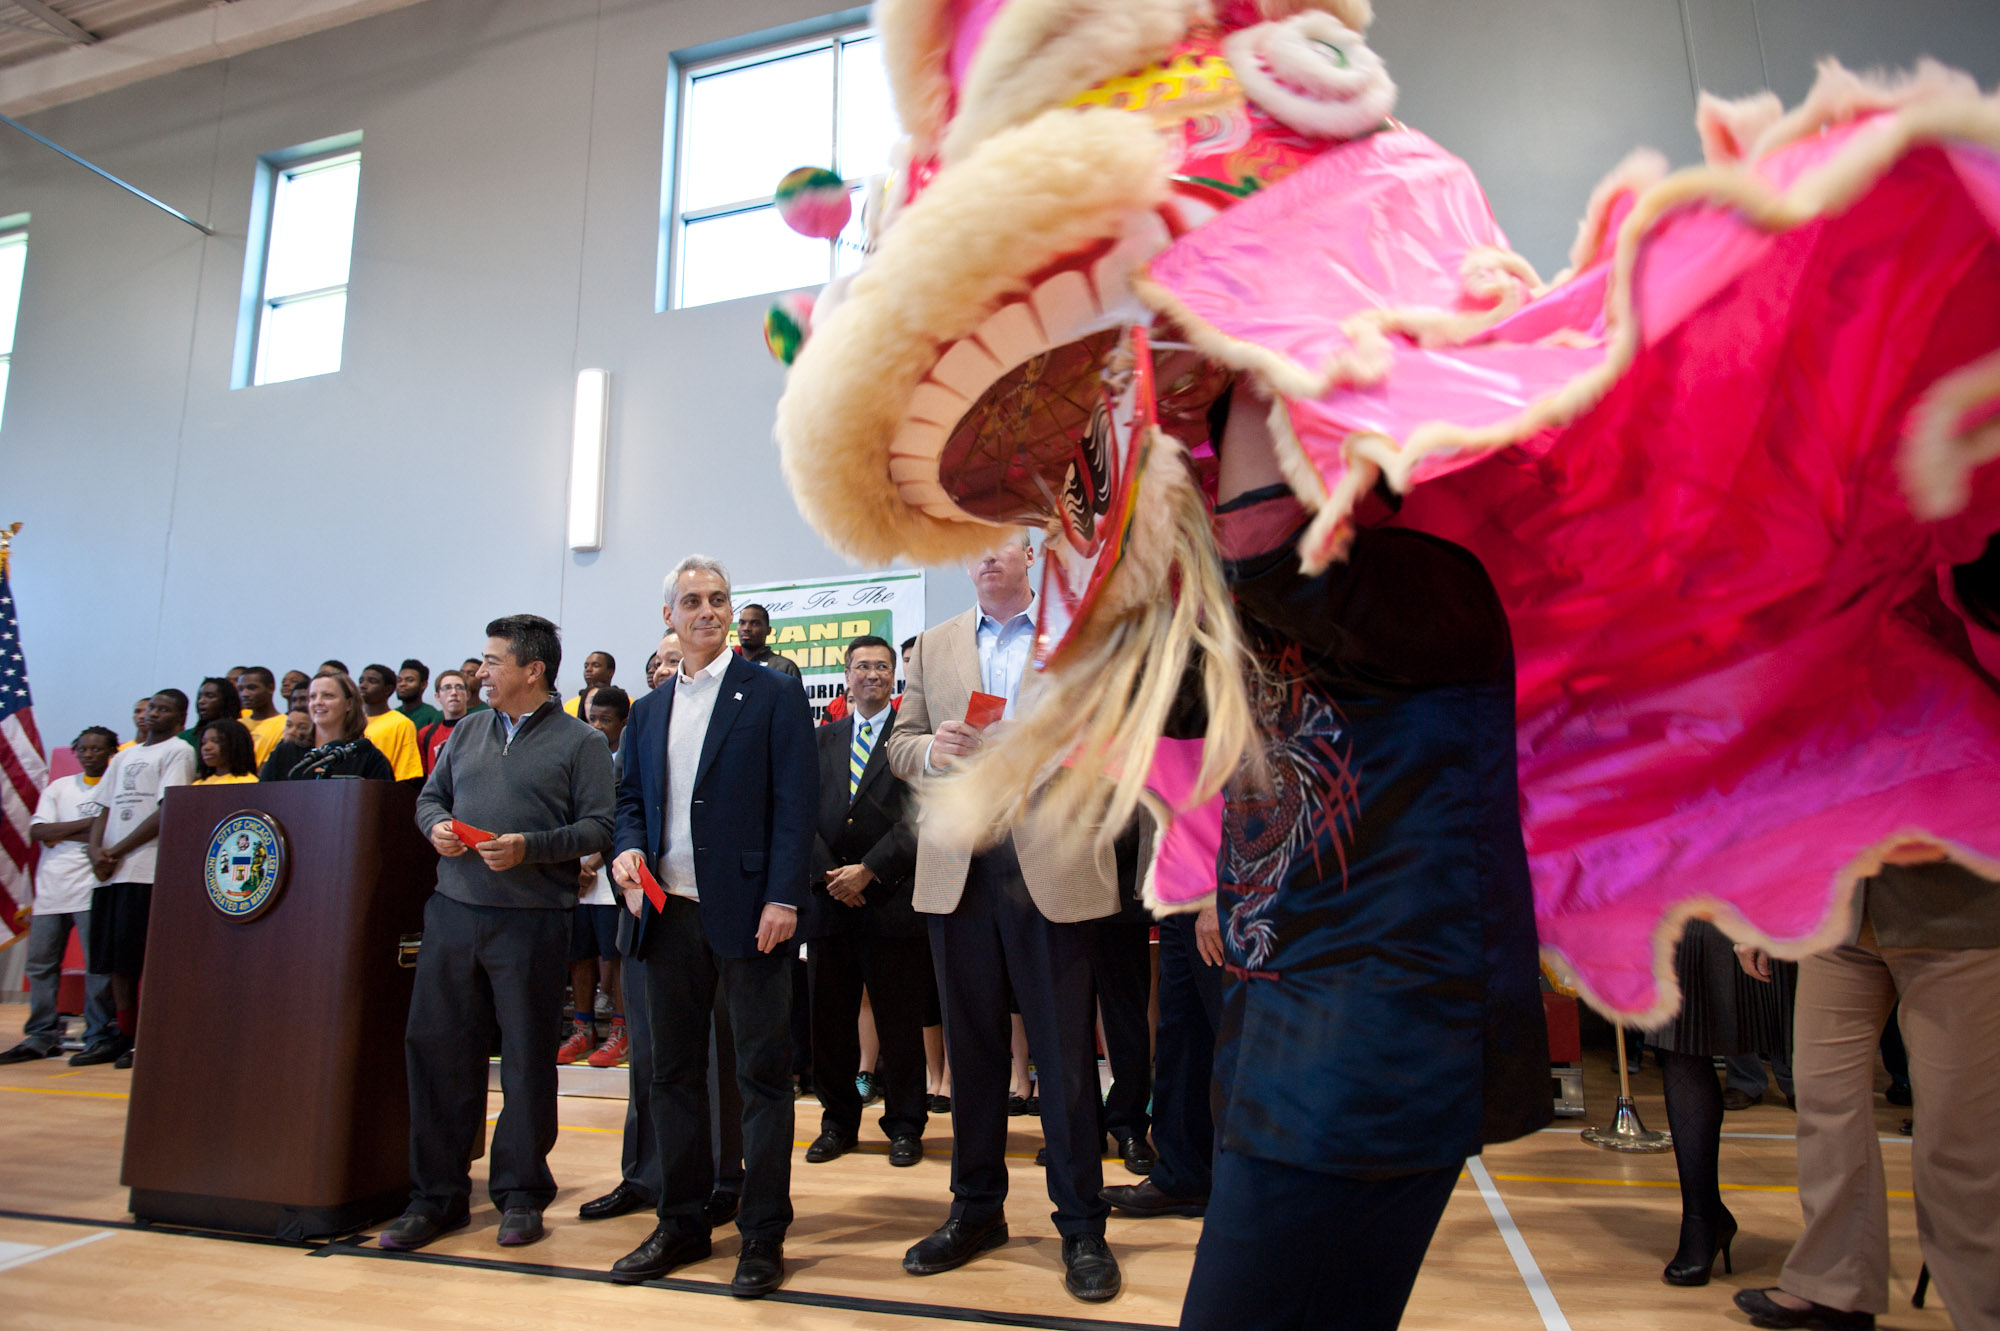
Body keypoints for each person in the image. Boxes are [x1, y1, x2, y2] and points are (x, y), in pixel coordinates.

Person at [1167, 389, 1551, 1331]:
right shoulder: (1268, 602)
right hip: (1284, 1035)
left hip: (1376, 1045)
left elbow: (1262, 544)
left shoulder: (1432, 582)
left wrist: (1241, 370)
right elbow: (1166, 697)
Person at [886, 533, 1126, 1303]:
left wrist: (1035, 746)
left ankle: (1083, 1224)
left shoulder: (1078, 634)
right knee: (973, 1055)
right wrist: (934, 750)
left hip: (1050, 861)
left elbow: (1114, 732)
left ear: (1031, 554)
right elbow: (899, 744)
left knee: (1061, 1059)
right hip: (961, 867)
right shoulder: (933, 646)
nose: (987, 557)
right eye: (974, 548)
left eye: (1001, 545)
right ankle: (976, 1210)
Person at [606, 555, 816, 1298]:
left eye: (718, 599)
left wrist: (785, 895)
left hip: (752, 915)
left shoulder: (773, 692)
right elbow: (631, 800)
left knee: (761, 1078)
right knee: (670, 1075)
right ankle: (682, 1220)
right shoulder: (647, 709)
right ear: (670, 615)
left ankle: (761, 1233)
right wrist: (628, 849)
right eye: (692, 600)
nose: (707, 610)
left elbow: (797, 803)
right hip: (666, 918)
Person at [380, 614, 615, 1253]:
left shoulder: (580, 743)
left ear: (532, 669)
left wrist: (530, 848)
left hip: (533, 924)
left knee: (527, 1063)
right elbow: (430, 799)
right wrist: (435, 827)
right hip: (453, 914)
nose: (479, 672)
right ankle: (436, 1198)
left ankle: (520, 1195)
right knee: (437, 1056)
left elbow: (599, 828)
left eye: (491, 661)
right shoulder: (466, 731)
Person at [1733, 859, 2000, 1331]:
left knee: (1957, 1142)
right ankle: (1834, 1287)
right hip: (1842, 915)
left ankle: (1982, 1312)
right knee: (1824, 1106)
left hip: (1961, 919)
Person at [801, 636, 928, 1168]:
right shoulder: (820, 740)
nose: (871, 674)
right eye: (861, 666)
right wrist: (833, 875)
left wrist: (869, 871)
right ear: (846, 675)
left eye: (881, 666)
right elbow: (798, 812)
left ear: (894, 677)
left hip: (891, 901)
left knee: (899, 1022)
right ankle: (838, 1121)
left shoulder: (910, 739)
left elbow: (922, 816)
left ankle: (904, 1124)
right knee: (828, 1023)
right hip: (830, 903)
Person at [1642, 918, 1795, 1287]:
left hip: (1780, 889)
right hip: (1687, 892)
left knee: (1815, 1050)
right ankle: (1701, 1218)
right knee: (1681, 1045)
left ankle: (1835, 1243)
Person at [83, 690, 197, 1068]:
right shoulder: (125, 756)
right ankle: (123, 1035)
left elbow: (168, 810)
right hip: (110, 873)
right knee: (116, 962)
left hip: (144, 870)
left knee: (140, 958)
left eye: (164, 710)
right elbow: (102, 808)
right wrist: (96, 851)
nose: (153, 714)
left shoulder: (178, 751)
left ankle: (145, 1038)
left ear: (180, 719)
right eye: (151, 708)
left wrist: (117, 852)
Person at [0, 727, 117, 1065]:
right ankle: (42, 1035)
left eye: (97, 749)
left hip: (92, 888)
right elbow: (38, 831)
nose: (89, 754)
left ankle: (97, 1033)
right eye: (83, 748)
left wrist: (66, 832)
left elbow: (108, 833)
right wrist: (88, 826)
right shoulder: (58, 787)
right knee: (40, 964)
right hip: (51, 889)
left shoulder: (113, 788)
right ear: (75, 750)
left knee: (98, 966)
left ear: (111, 751)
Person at [1104, 903, 1224, 1218]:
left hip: (1219, 891)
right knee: (1180, 1033)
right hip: (1181, 895)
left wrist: (1217, 898)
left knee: (1232, 1039)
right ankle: (1183, 1176)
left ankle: (1247, 1190)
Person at [564, 685, 633, 1068]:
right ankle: (583, 1027)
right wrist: (576, 860)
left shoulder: (627, 757)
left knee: (615, 954)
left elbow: (622, 815)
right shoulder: (579, 755)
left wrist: (595, 858)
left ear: (624, 722)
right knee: (581, 954)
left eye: (605, 720)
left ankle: (620, 1031)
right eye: (592, 718)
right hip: (579, 872)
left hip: (609, 870)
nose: (597, 726)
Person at [259, 672, 395, 781]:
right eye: (312, 697)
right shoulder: (286, 752)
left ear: (348, 704)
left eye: (328, 696)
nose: (317, 702)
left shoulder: (369, 758)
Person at [356, 663, 424, 780]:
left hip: (383, 789)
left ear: (388, 689)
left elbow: (407, 773)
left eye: (372, 681)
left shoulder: (401, 723)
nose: (363, 685)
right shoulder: (354, 723)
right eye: (361, 681)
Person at [418, 669, 474, 775]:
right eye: (447, 687)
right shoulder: (426, 734)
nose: (453, 692)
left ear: (467, 695)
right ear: (437, 696)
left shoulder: (481, 729)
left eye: (459, 687)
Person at [734, 604, 801, 680]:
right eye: (742, 623)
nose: (746, 628)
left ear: (768, 630)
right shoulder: (729, 665)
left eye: (755, 624)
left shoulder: (784, 667)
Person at [237, 668, 287, 766]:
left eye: (251, 688)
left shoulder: (285, 725)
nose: (244, 694)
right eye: (240, 689)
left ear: (270, 688)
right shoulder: (237, 725)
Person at [177, 676, 241, 746]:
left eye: (210, 696)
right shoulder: (185, 738)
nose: (201, 701)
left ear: (226, 701)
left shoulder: (238, 735)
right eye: (199, 697)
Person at [194, 718, 260, 785]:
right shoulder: (198, 785)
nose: (206, 747)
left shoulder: (249, 783)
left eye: (216, 741)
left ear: (236, 744)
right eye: (203, 742)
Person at [565, 651, 616, 716]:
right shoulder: (570, 705)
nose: (588, 669)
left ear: (610, 672)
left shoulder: (625, 702)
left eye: (596, 666)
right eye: (586, 666)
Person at [396, 659, 442, 730]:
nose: (402, 684)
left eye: (409, 680)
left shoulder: (432, 715)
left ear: (423, 685)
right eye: (399, 680)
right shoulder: (392, 715)